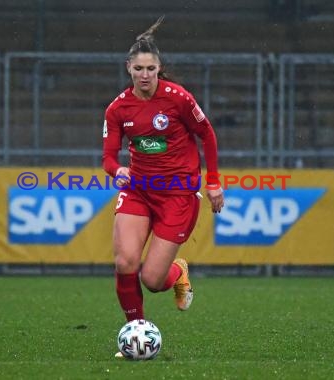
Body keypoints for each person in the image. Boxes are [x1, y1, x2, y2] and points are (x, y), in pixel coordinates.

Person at [102, 16, 224, 355]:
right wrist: (117, 172)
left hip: (178, 195)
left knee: (152, 280)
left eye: (151, 68)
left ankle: (177, 271)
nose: (145, 75)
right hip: (139, 189)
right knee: (125, 262)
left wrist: (213, 183)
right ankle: (134, 333)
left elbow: (207, 135)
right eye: (138, 68)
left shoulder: (178, 99)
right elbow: (108, 158)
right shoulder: (117, 108)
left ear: (159, 69)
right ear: (128, 68)